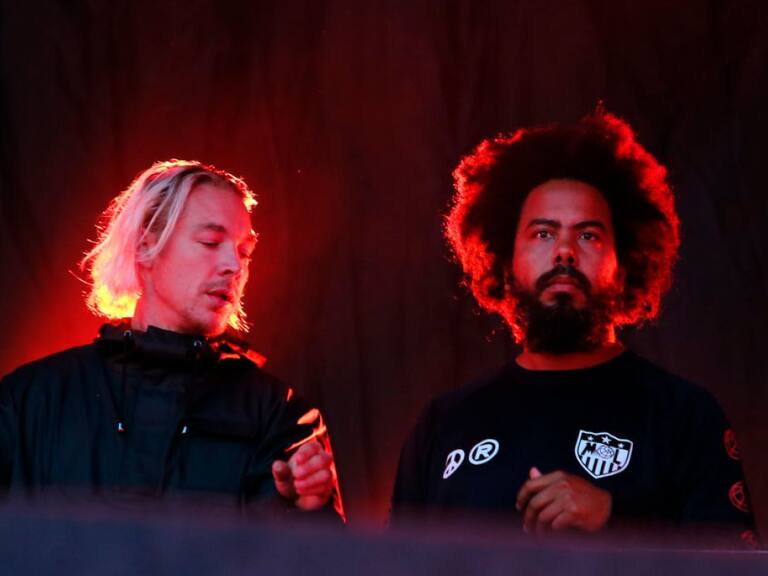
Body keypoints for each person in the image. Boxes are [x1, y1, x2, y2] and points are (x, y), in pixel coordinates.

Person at [391, 109, 757, 547]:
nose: (564, 251)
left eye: (588, 235)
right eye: (543, 234)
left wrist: (617, 520)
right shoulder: (444, 425)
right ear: (505, 264)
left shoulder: (685, 416)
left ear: (625, 267)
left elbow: (737, 567)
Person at [0, 159, 344, 520]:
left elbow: (315, 551)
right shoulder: (29, 401)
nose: (235, 265)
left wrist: (305, 511)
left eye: (245, 252)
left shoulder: (279, 416)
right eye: (211, 242)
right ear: (145, 247)